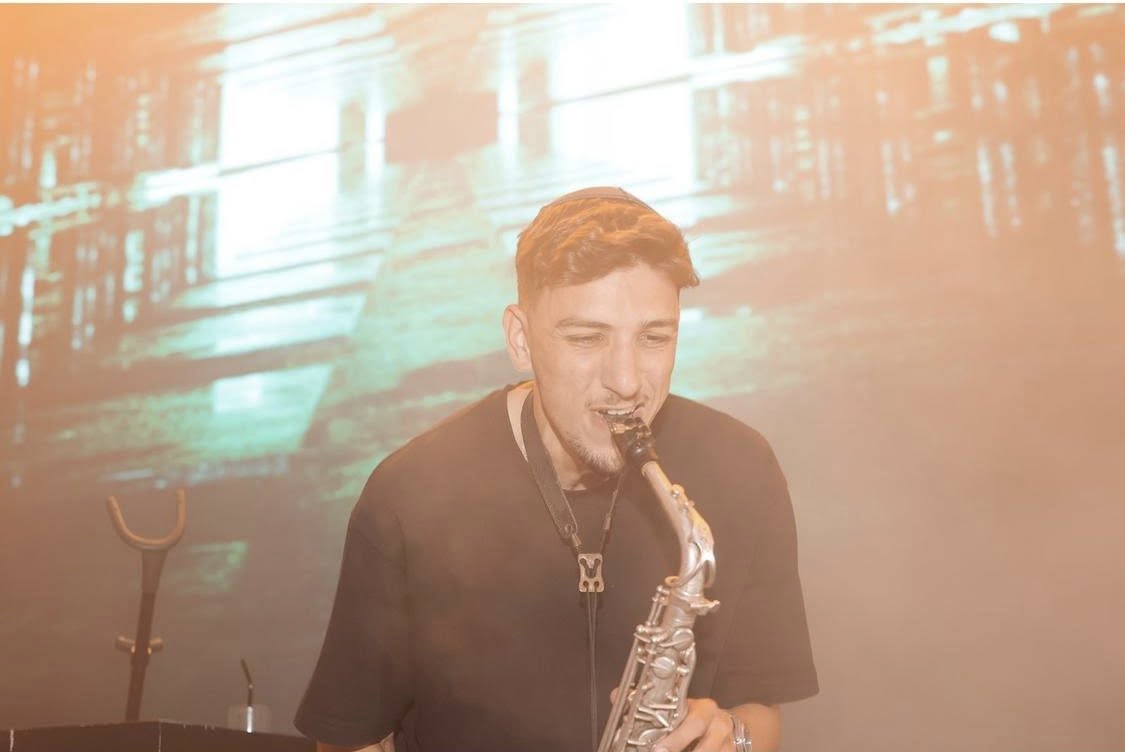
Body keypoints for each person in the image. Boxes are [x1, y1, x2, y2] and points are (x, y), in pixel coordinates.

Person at [294, 187, 819, 752]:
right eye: (587, 338)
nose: (626, 382)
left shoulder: (742, 466)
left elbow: (759, 709)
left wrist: (732, 736)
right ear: (521, 340)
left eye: (654, 338)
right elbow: (349, 740)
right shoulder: (410, 494)